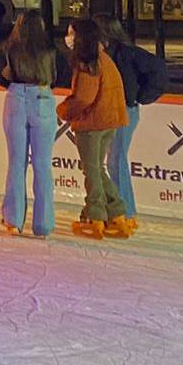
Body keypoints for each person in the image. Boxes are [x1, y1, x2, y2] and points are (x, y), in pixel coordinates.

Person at [0, 11, 66, 238]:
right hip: (42, 97)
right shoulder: (50, 50)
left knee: (16, 162)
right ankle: (44, 224)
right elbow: (62, 75)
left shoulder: (9, 48)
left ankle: (13, 219)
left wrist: (10, 82)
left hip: (16, 98)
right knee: (42, 164)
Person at [58, 17, 131, 240]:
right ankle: (117, 212)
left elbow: (84, 98)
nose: (68, 38)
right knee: (98, 169)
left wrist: (64, 110)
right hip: (108, 120)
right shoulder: (103, 59)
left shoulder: (88, 64)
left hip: (93, 124)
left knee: (91, 171)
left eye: (71, 33)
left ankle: (96, 216)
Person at [97, 15, 167, 236]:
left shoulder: (127, 53)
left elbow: (157, 70)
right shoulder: (109, 54)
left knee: (116, 161)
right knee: (114, 161)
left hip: (125, 111)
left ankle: (125, 212)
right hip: (116, 110)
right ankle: (121, 210)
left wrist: (141, 96)